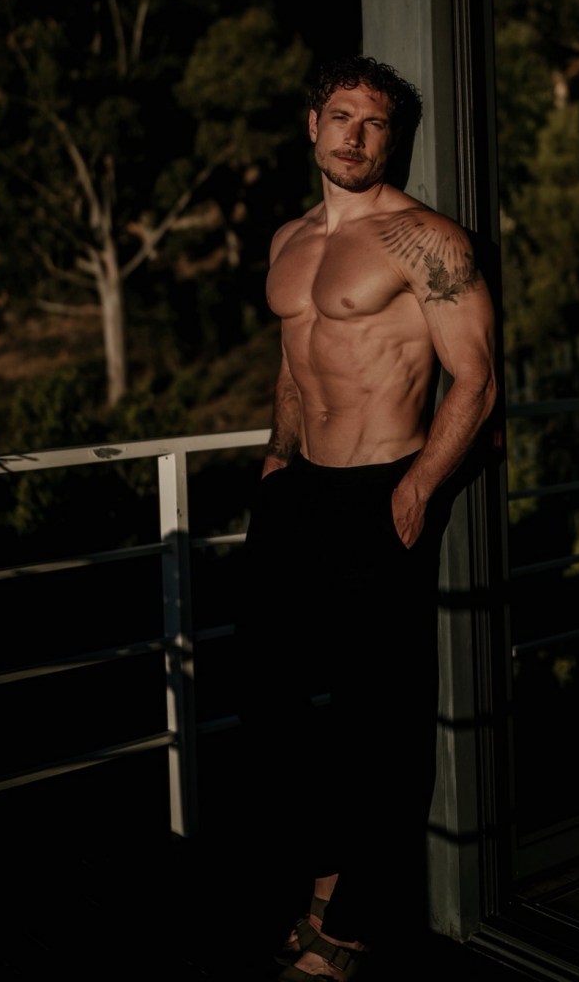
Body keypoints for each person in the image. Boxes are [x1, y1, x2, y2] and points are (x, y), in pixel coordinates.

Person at [232, 54, 497, 980]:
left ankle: (346, 927)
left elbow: (476, 379)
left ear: (393, 138)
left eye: (373, 122)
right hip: (299, 489)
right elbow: (293, 360)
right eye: (340, 116)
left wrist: (417, 487)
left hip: (381, 486)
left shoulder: (426, 241)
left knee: (377, 719)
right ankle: (321, 880)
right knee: (275, 702)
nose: (354, 135)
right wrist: (276, 459)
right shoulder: (289, 238)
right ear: (312, 125)